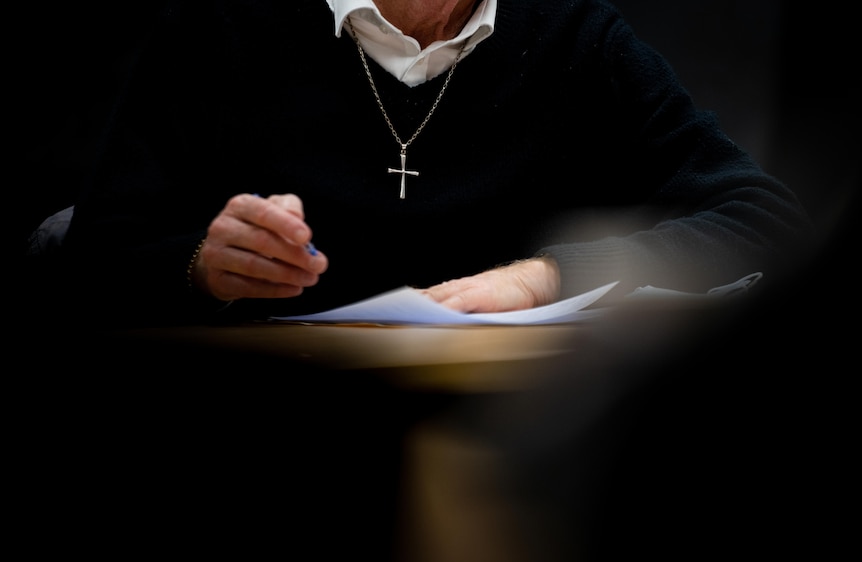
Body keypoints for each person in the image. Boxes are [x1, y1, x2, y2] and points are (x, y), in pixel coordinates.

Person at [51, 0, 812, 326]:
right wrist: (202, 265)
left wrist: (548, 275)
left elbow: (766, 220)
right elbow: (86, 257)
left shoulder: (576, 36)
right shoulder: (218, 27)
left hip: (499, 435)